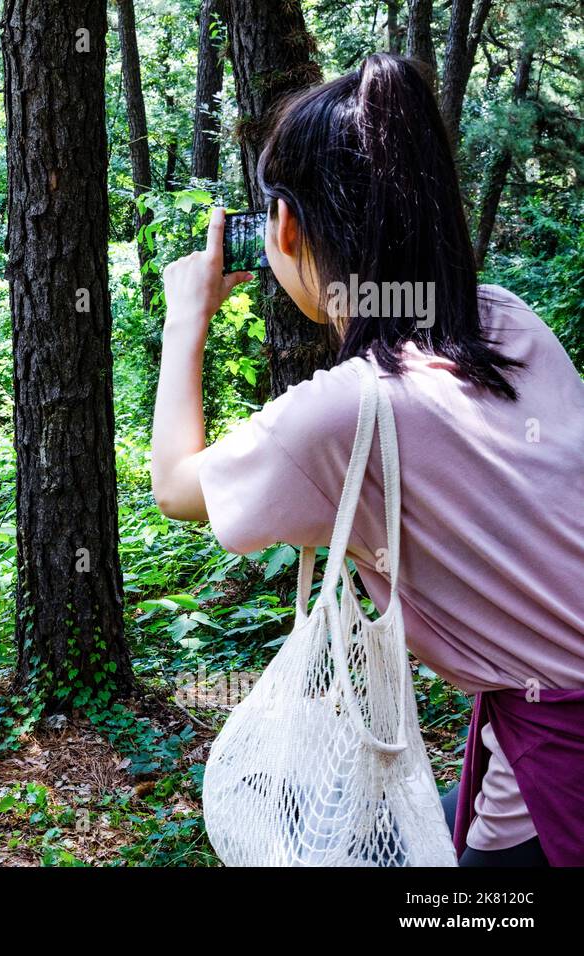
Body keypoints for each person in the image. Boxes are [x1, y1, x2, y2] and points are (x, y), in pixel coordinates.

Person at [150, 53, 584, 866]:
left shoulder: (343, 412)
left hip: (562, 754)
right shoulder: (506, 323)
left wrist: (187, 321)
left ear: (283, 228)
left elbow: (177, 487)